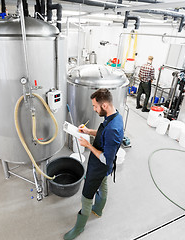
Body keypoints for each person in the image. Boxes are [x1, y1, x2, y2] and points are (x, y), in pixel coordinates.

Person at [64, 88, 124, 240]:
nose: (94, 109)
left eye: (95, 106)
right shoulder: (114, 116)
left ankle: (79, 227)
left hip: (100, 166)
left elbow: (105, 159)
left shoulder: (114, 129)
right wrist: (89, 132)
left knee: (86, 196)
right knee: (103, 185)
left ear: (104, 106)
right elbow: (103, 133)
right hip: (101, 166)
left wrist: (88, 145)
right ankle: (98, 209)